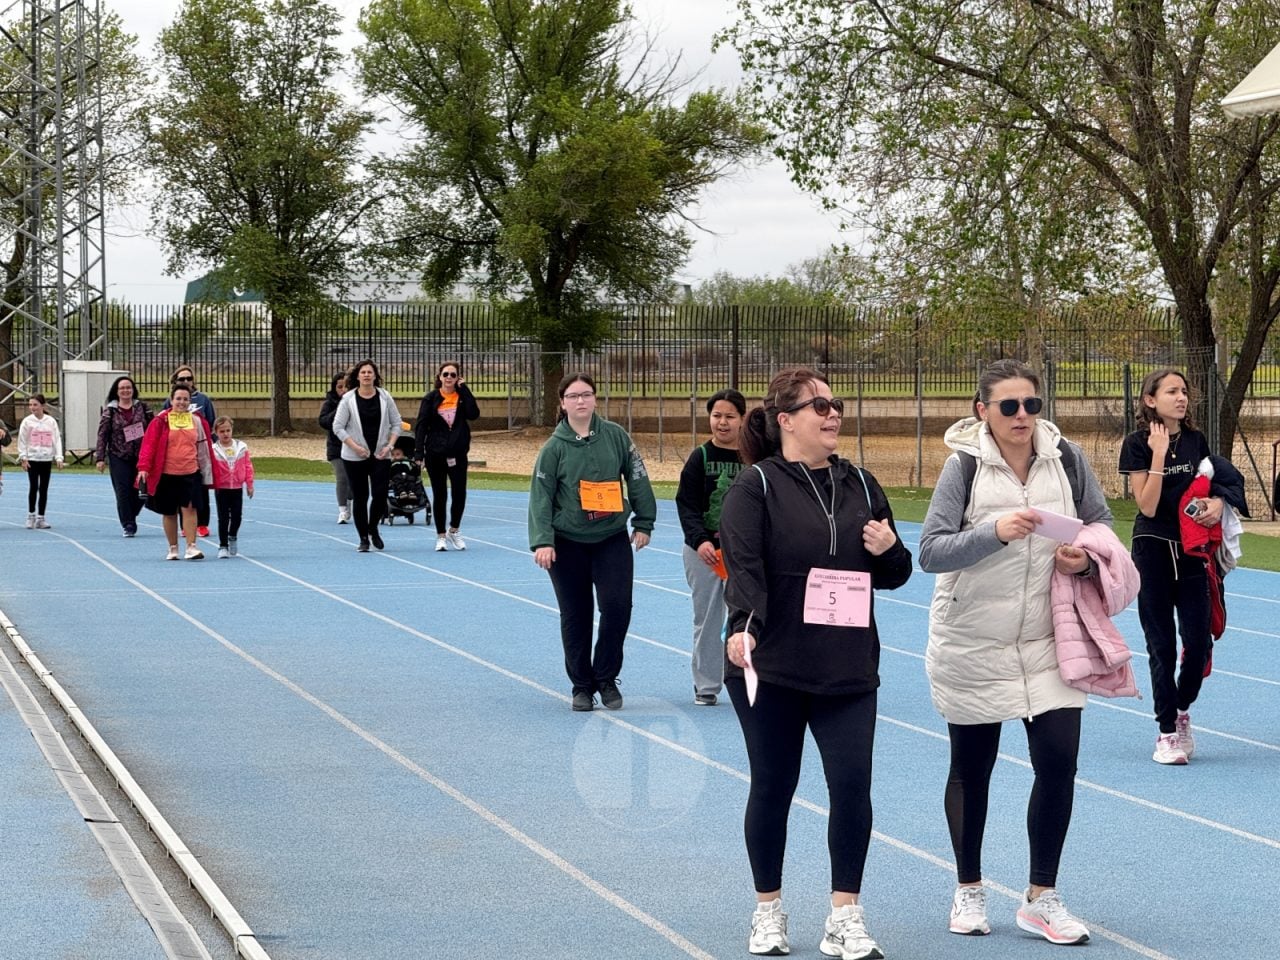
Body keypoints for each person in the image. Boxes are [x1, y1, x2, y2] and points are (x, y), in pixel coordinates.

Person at [719, 367, 912, 960]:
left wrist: (891, 550)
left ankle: (844, 916)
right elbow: (744, 565)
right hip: (772, 663)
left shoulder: (861, 482)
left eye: (836, 404)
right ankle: (768, 910)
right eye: (820, 405)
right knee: (774, 786)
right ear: (785, 419)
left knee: (852, 788)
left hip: (848, 667)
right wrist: (743, 625)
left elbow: (896, 574)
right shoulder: (756, 486)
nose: (833, 414)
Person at [919, 359, 1111, 945]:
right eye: (1009, 406)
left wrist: (1084, 556)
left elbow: (1099, 525)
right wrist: (993, 532)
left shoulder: (1069, 460)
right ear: (983, 411)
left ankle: (1041, 895)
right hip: (974, 641)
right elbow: (930, 551)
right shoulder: (964, 467)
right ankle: (969, 887)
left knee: (1059, 762)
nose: (1022, 415)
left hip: (1051, 640)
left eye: (1031, 404)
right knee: (972, 770)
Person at [528, 373, 656, 712]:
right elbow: (541, 497)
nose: (581, 401)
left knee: (617, 608)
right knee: (576, 615)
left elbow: (638, 477)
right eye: (573, 396)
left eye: (586, 394)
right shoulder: (553, 449)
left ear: (596, 399)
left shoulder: (616, 437)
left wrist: (644, 521)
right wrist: (543, 541)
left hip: (611, 538)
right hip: (567, 543)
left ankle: (606, 677)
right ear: (563, 403)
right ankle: (581, 686)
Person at [1117, 368, 1224, 765]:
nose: (1181, 397)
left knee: (1198, 642)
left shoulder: (1197, 440)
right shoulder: (1136, 444)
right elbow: (1146, 504)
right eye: (1172, 391)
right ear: (1150, 400)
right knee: (1160, 644)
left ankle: (1181, 709)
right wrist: (1159, 454)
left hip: (1193, 551)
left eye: (1184, 391)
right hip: (1153, 549)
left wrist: (1217, 505)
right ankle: (1166, 732)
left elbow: (1210, 487)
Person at [675, 387, 746, 706]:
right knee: (708, 617)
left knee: (747, 615)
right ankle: (706, 684)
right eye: (717, 415)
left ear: (742, 420)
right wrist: (700, 540)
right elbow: (686, 504)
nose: (723, 422)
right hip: (704, 552)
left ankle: (745, 677)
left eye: (730, 416)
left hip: (742, 552)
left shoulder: (754, 459)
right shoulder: (700, 458)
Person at [137, 383, 214, 560]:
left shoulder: (197, 421)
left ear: (190, 401)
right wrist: (144, 468)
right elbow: (149, 445)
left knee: (190, 509)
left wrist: (206, 472)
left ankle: (191, 546)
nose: (182, 402)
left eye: (185, 399)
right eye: (178, 398)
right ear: (171, 400)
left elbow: (203, 447)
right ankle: (173, 548)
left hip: (190, 471)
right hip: (167, 473)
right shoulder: (161, 420)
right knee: (169, 512)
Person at [331, 359, 402, 553]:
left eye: (370, 372)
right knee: (361, 497)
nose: (367, 375)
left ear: (375, 375)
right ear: (358, 376)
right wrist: (355, 447)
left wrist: (390, 445)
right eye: (363, 372)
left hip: (380, 455)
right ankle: (363, 538)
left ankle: (373, 528)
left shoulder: (385, 397)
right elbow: (337, 427)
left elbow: (397, 423)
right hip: (355, 457)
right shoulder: (348, 399)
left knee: (379, 495)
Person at [414, 360, 481, 552]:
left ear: (458, 377)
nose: (449, 378)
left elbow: (473, 414)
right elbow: (421, 426)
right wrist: (419, 452)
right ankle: (441, 534)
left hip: (458, 453)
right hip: (436, 453)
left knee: (459, 492)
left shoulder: (462, 397)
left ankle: (455, 529)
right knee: (440, 494)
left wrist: (465, 389)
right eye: (446, 375)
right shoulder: (431, 399)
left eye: (453, 375)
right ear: (439, 377)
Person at [95, 375, 153, 537]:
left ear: (133, 390)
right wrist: (100, 458)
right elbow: (102, 435)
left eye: (128, 387)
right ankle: (128, 524)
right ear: (117, 391)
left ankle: (130, 514)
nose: (126, 391)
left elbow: (154, 428)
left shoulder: (143, 408)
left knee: (141, 493)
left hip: (141, 456)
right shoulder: (110, 411)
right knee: (123, 491)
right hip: (118, 455)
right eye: (122, 388)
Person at [163, 365, 217, 537]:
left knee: (201, 490)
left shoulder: (203, 400)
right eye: (182, 379)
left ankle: (202, 523)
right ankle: (184, 526)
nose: (186, 382)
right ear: (175, 381)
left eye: (189, 378)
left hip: (197, 450)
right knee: (181, 493)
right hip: (177, 455)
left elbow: (211, 423)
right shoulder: (170, 401)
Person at [17, 394, 64, 529]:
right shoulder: (27, 422)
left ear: (43, 406)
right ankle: (31, 515)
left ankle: (41, 517)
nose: (32, 408)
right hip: (32, 459)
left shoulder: (50, 421)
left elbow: (56, 439)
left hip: (46, 459)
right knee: (33, 487)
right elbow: (22, 440)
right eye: (30, 405)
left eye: (35, 405)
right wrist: (23, 458)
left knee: (44, 488)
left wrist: (58, 457)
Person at [210, 416, 254, 559]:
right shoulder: (214, 449)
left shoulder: (241, 447)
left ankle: (233, 535)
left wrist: (249, 484)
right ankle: (223, 545)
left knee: (236, 516)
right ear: (216, 432)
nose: (226, 434)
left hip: (236, 487)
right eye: (222, 431)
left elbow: (248, 466)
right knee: (223, 518)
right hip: (221, 488)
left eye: (228, 430)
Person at [318, 371, 353, 524]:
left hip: (354, 446)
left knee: (354, 480)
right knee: (342, 477)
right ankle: (342, 509)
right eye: (339, 387)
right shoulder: (330, 403)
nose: (342, 390)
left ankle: (350, 499)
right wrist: (339, 409)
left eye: (345, 387)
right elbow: (323, 421)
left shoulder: (355, 401)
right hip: (336, 447)